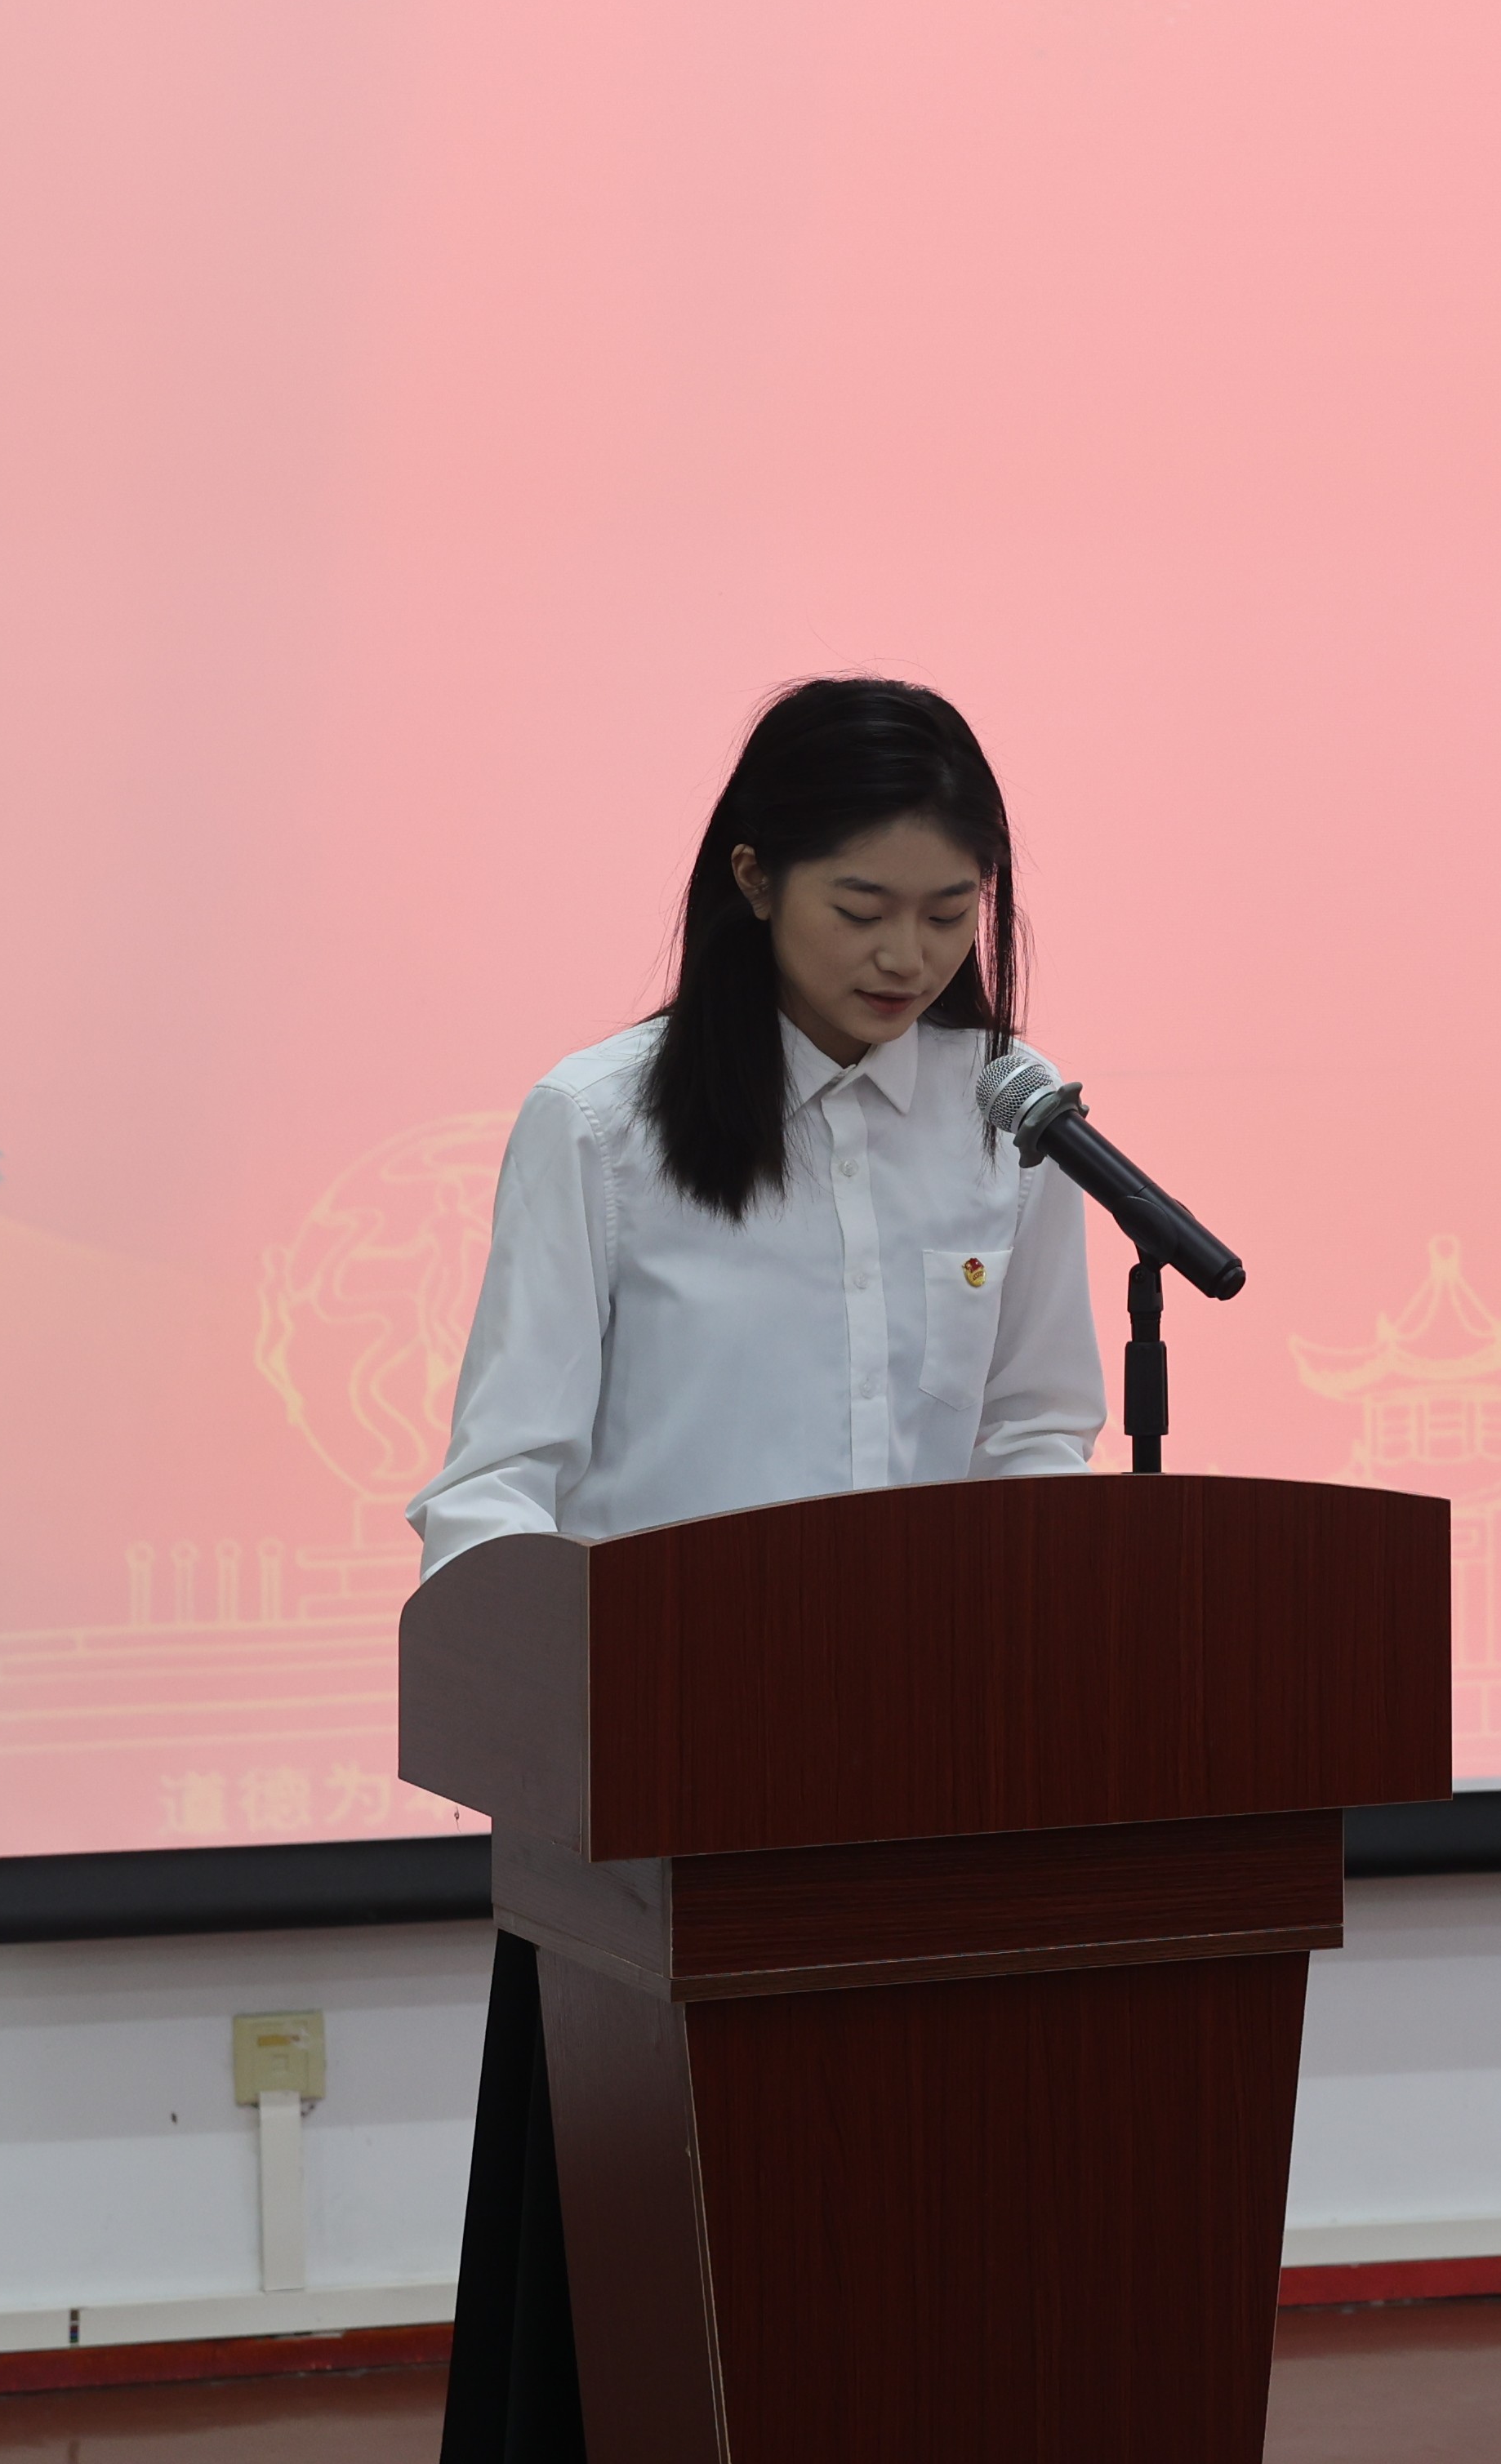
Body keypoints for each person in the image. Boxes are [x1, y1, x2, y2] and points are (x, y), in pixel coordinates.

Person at [412, 678, 1103, 2464]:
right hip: (665, 1810)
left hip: (932, 1793)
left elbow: (1037, 1429)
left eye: (950, 914)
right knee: (659, 2318)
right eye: (862, 908)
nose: (910, 958)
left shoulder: (1009, 1122)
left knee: (913, 2289)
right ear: (751, 880)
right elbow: (498, 1482)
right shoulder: (603, 1123)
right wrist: (563, 1725)